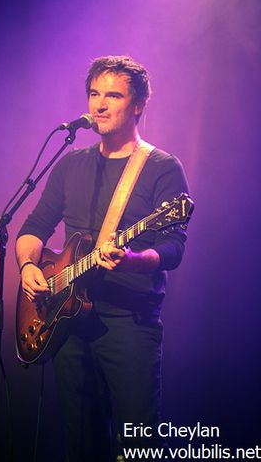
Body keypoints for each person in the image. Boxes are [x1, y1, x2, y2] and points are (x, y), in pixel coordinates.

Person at [16, 55, 189, 461]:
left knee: (138, 445)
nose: (100, 104)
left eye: (113, 95)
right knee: (81, 440)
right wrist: (27, 265)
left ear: (139, 104)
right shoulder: (71, 162)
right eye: (94, 93)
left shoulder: (162, 167)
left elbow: (173, 248)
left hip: (128, 324)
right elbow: (33, 228)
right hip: (67, 321)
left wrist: (132, 258)